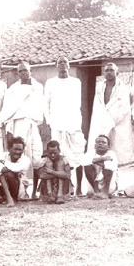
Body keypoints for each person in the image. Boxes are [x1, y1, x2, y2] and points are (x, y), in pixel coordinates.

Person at [0, 61, 44, 197]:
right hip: (16, 124)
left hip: (32, 125)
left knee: (35, 157)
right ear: (17, 73)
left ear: (31, 71)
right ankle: (21, 191)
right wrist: (6, 130)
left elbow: (40, 108)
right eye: (21, 71)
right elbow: (7, 110)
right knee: (19, 158)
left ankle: (35, 191)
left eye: (26, 70)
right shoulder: (12, 89)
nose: (24, 73)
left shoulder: (38, 87)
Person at [44, 56, 87, 196]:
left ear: (68, 65)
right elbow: (47, 103)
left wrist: (75, 123)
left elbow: (77, 104)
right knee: (58, 155)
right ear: (56, 66)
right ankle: (61, 189)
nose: (62, 64)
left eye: (65, 62)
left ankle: (79, 187)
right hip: (57, 124)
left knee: (77, 155)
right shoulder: (50, 83)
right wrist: (50, 122)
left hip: (73, 123)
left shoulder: (76, 82)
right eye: (60, 62)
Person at [87, 62, 134, 167]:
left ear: (117, 72)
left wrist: (110, 121)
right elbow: (98, 106)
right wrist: (103, 121)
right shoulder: (99, 87)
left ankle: (119, 166)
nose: (109, 72)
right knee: (101, 147)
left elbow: (123, 107)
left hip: (118, 122)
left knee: (118, 149)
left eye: (111, 70)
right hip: (102, 122)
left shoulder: (123, 88)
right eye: (106, 70)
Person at [0, 137, 31, 207]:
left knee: (9, 174)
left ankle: (10, 198)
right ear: (9, 149)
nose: (18, 152)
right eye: (15, 149)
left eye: (20, 150)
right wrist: (4, 168)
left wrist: (4, 163)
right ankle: (2, 196)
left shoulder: (26, 160)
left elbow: (16, 168)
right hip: (2, 186)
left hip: (17, 189)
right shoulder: (2, 155)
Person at [82, 134, 118, 199]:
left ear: (108, 146)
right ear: (95, 145)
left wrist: (95, 161)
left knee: (108, 168)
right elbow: (84, 162)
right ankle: (96, 192)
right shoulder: (89, 153)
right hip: (93, 186)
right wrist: (103, 159)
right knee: (87, 166)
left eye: (103, 142)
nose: (100, 144)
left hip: (109, 186)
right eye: (98, 142)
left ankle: (105, 193)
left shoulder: (112, 154)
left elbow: (112, 167)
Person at [38, 140, 70, 204]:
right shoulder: (44, 160)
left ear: (59, 151)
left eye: (55, 153)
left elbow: (68, 175)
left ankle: (60, 195)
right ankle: (50, 195)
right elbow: (41, 175)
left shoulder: (64, 159)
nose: (52, 155)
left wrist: (52, 172)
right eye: (50, 153)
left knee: (60, 164)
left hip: (62, 187)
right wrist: (59, 173)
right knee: (48, 163)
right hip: (48, 187)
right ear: (47, 152)